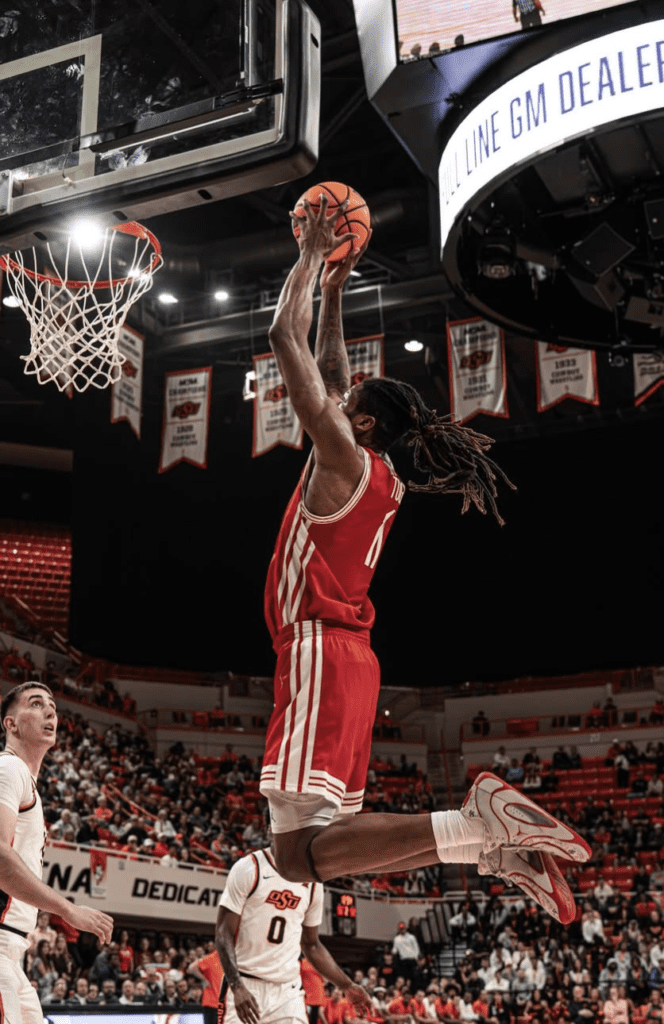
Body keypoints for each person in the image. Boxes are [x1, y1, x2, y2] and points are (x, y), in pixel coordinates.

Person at [257, 193, 589, 923]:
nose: (332, 404)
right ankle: (484, 847)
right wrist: (340, 291)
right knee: (307, 855)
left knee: (297, 855)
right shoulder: (378, 474)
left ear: (363, 423)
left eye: (346, 408)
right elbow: (335, 372)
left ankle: (478, 823)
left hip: (316, 648)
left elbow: (285, 337)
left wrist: (311, 257)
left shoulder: (341, 455)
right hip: (348, 657)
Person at [0, 681, 113, 1024]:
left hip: (13, 952)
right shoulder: (9, 769)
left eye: (52, 706)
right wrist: (68, 910)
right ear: (11, 723)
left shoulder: (24, 779)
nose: (50, 711)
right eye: (35, 704)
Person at [215, 845, 372, 1024]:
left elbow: (311, 945)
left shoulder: (313, 883)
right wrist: (236, 986)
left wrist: (347, 985)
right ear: (272, 827)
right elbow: (223, 932)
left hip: (287, 991)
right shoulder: (249, 867)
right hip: (245, 983)